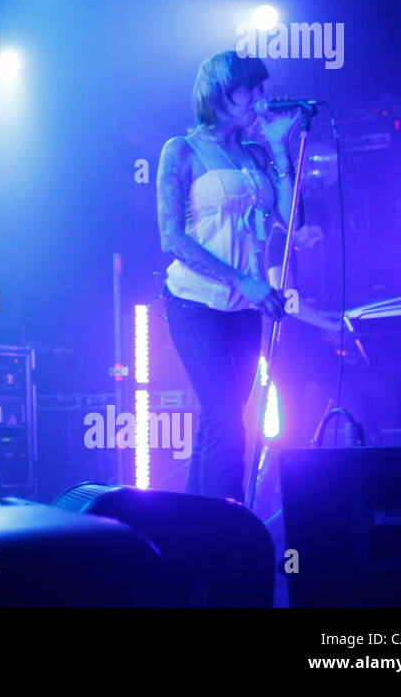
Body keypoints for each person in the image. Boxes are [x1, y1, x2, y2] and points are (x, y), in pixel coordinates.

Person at [155, 49, 303, 502]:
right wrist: (243, 281)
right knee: (226, 421)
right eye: (250, 88)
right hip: (194, 304)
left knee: (221, 419)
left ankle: (190, 528)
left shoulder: (255, 154)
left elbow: (293, 221)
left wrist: (279, 147)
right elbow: (172, 238)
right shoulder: (182, 151)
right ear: (219, 92)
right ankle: (228, 527)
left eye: (263, 87)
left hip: (244, 309)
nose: (260, 96)